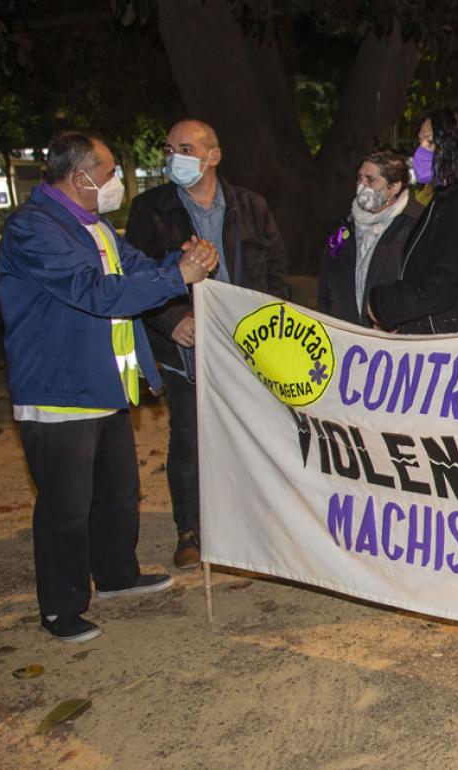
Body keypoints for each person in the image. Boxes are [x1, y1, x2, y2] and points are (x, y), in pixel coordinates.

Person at [0, 130, 218, 643]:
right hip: (59, 389)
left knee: (118, 491)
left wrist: (178, 264)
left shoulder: (93, 226)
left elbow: (136, 269)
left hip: (105, 384)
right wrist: (174, 277)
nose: (116, 181)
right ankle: (62, 607)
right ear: (79, 177)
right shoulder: (35, 229)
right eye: (110, 171)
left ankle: (118, 574)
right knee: (65, 505)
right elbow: (92, 292)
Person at [125, 119, 289, 571]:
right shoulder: (150, 210)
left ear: (213, 156)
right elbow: (135, 279)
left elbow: (275, 275)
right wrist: (170, 320)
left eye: (186, 147)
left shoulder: (250, 207)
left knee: (254, 433)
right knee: (190, 437)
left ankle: (253, 524)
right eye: (169, 147)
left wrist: (273, 335)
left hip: (247, 345)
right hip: (185, 347)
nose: (173, 155)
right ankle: (191, 530)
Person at [367, 108, 458, 333]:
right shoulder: (455, 198)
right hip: (456, 337)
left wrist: (384, 305)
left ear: (457, 148)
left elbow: (444, 282)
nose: (420, 152)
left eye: (430, 143)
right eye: (420, 143)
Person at [318, 150, 424, 325]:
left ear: (394, 187)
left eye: (370, 180)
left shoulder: (415, 225)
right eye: (360, 178)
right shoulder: (345, 224)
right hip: (344, 334)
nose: (362, 185)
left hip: (392, 338)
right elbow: (326, 273)